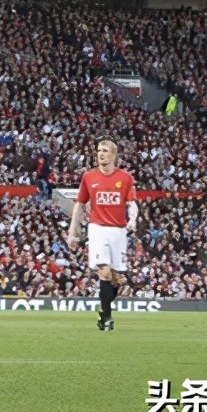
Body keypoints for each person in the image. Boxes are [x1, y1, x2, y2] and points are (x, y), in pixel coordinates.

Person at [66, 140, 137, 331]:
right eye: (98, 151)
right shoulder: (89, 177)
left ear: (113, 154)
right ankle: (107, 318)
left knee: (117, 279)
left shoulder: (125, 178)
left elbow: (132, 203)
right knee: (103, 271)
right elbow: (79, 204)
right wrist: (72, 232)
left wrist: (133, 219)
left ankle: (104, 308)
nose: (101, 154)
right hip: (97, 228)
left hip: (119, 231)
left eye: (105, 151)